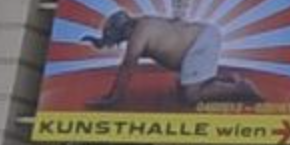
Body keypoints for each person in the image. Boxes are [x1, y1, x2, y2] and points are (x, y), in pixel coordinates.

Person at [84, 10, 262, 108]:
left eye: (123, 38)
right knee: (182, 85)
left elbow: (127, 68)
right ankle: (225, 80)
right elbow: (174, 23)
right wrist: (100, 41)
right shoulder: (144, 21)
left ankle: (241, 88)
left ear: (126, 29)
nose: (126, 42)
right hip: (202, 37)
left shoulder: (139, 34)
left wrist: (113, 98)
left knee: (192, 96)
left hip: (200, 43)